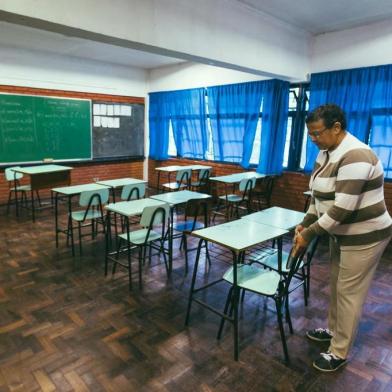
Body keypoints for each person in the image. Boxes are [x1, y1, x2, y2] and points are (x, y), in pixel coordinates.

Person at [294, 104, 392, 372]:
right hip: (342, 234)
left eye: (317, 133)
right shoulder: (326, 152)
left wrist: (310, 235)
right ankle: (333, 331)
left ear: (336, 127)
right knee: (338, 285)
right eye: (310, 134)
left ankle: (339, 351)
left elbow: (342, 208)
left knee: (349, 292)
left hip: (366, 236)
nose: (313, 139)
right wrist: (305, 224)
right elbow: (317, 198)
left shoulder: (357, 155)